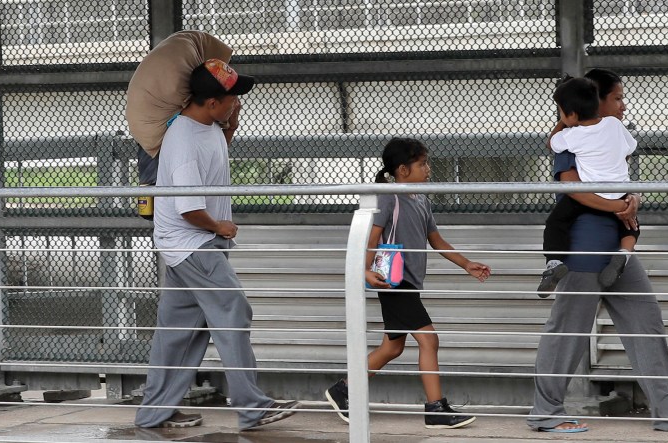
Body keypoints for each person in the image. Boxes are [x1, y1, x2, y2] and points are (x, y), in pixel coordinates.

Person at [527, 69, 668, 433]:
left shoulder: (613, 138)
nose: (623, 106)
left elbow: (623, 185)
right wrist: (620, 206)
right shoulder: (571, 142)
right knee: (568, 331)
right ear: (597, 99)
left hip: (618, 251)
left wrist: (632, 199)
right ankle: (545, 412)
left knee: (646, 321)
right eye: (617, 99)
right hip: (582, 251)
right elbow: (573, 192)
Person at [135, 59, 298, 431]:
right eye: (233, 98)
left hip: (187, 244)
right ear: (211, 102)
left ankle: (154, 412)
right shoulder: (185, 140)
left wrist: (232, 128)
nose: (237, 103)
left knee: (177, 333)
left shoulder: (205, 125)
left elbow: (214, 158)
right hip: (194, 242)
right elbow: (189, 207)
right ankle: (252, 407)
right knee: (233, 310)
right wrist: (219, 226)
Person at [324, 137, 492, 429]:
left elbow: (436, 240)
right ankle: (435, 409)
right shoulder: (388, 196)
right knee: (429, 339)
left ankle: (343, 390)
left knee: (392, 348)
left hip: (410, 283)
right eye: (422, 163)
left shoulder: (422, 200)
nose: (428, 169)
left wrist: (466, 264)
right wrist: (364, 270)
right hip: (393, 282)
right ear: (402, 169)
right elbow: (372, 236)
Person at [537, 77, 639, 297]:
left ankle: (553, 263)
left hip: (589, 195)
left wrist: (565, 122)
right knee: (631, 225)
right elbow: (630, 148)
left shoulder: (570, 136)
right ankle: (624, 254)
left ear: (571, 114)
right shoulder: (614, 125)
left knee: (556, 222)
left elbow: (550, 143)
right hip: (620, 193)